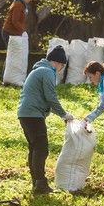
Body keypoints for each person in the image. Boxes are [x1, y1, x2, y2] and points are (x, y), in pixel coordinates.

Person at [17, 45, 74, 194]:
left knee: (34, 148)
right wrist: (64, 114)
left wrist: (62, 114)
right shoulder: (48, 72)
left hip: (25, 113)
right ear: (58, 63)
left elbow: (47, 99)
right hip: (33, 115)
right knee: (41, 149)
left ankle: (36, 182)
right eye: (62, 66)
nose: (61, 69)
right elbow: (51, 98)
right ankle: (40, 184)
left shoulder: (38, 70)